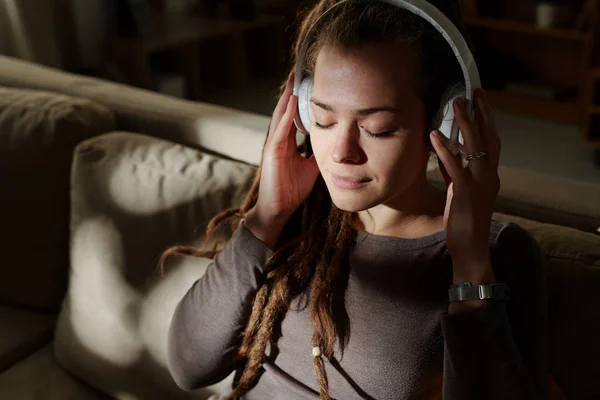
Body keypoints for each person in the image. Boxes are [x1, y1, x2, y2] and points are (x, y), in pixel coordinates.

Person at [163, 1, 548, 399]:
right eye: (325, 120)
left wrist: (470, 264)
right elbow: (188, 367)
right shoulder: (294, 215)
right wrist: (266, 216)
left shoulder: (498, 254)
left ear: (445, 122)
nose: (341, 151)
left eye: (378, 128)